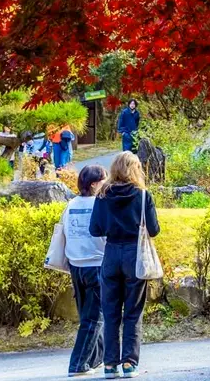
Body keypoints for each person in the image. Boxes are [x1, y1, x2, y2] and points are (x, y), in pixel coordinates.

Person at [88, 152, 159, 379]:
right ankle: (129, 363)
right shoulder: (142, 195)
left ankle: (110, 365)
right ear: (135, 169)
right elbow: (154, 230)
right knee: (132, 312)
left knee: (110, 313)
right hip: (134, 255)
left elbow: (94, 230)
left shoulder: (102, 195)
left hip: (110, 254)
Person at [63, 164, 108, 376]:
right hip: (96, 265)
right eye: (104, 179)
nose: (107, 183)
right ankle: (78, 365)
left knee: (88, 316)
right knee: (95, 318)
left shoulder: (71, 204)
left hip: (75, 266)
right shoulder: (101, 204)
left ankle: (97, 358)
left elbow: (64, 231)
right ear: (94, 184)